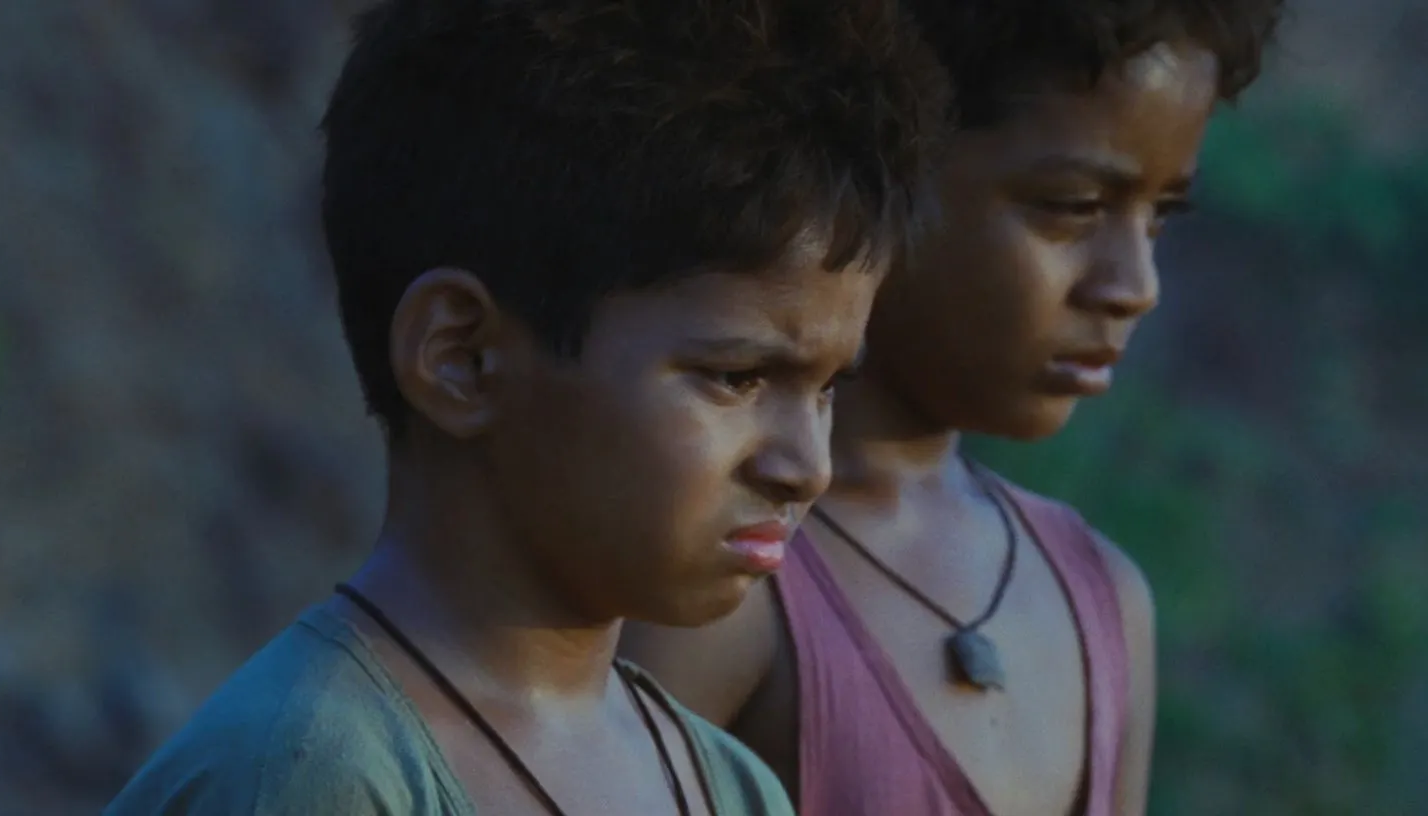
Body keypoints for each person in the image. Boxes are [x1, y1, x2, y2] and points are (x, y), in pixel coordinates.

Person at [105, 0, 950, 813]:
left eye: (827, 388)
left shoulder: (732, 787)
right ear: (461, 359)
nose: (807, 466)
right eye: (736, 377)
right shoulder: (313, 778)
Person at [616, 2, 1283, 814]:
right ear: (885, 170)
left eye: (1158, 217)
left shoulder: (1103, 600)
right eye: (1072, 206)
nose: (1133, 285)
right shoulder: (723, 582)